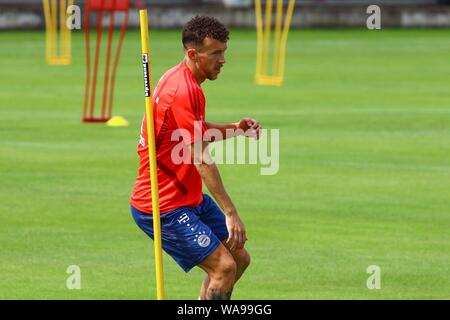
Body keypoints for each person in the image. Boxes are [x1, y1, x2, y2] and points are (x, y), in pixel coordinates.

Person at [130, 15, 261, 300]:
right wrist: (230, 212)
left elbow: (196, 131)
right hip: (162, 206)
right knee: (224, 268)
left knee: (238, 259)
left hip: (189, 198)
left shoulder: (183, 80)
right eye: (216, 53)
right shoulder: (183, 90)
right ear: (193, 53)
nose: (223, 59)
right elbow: (201, 158)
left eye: (224, 51)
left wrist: (236, 130)